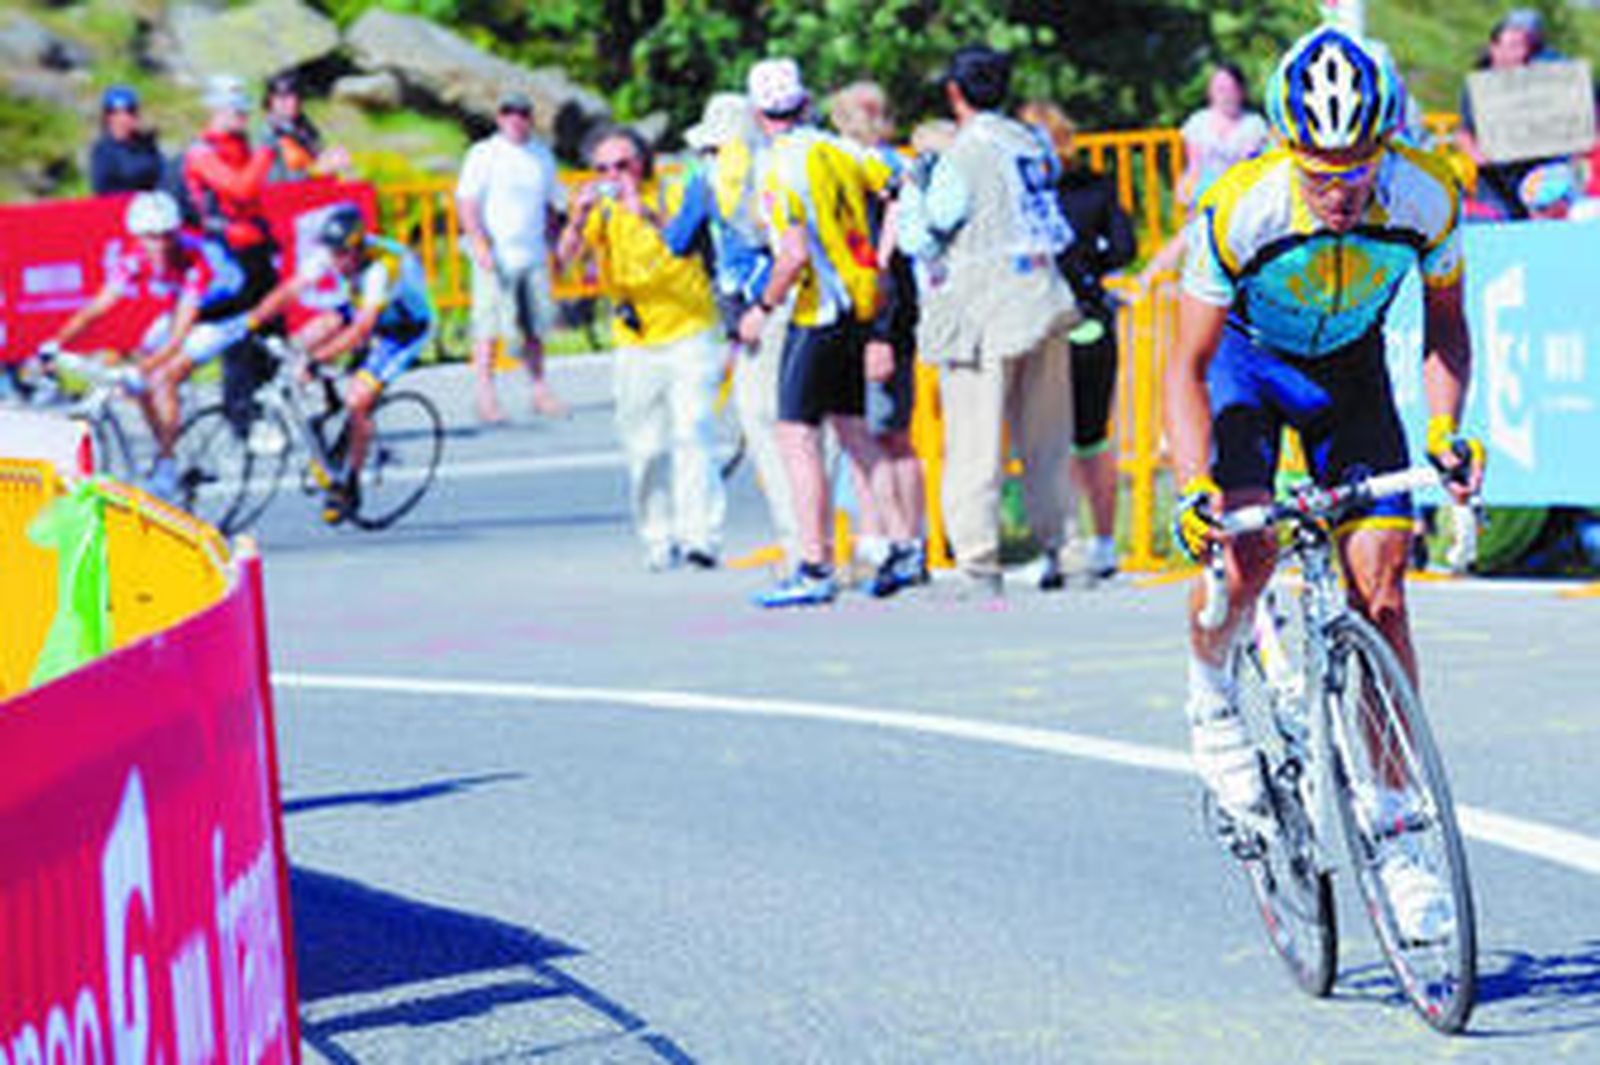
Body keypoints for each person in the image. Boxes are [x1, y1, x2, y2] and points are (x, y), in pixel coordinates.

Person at [1164, 28, 1485, 942]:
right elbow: (1182, 366)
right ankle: (1209, 692)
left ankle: (1399, 834)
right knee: (1247, 553)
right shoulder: (1240, 209)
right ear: (1282, 148)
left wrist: (1444, 432)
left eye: (1356, 168)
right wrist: (1199, 492)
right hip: (1244, 370)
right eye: (1319, 171)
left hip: (1349, 374)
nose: (1340, 189)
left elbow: (1445, 332)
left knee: (1383, 592)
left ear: (1386, 144)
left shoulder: (1427, 195)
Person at [898, 46, 1082, 596]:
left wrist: (911, 193)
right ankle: (1064, 548)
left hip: (982, 302)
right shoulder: (1032, 143)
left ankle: (978, 558)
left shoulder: (963, 153)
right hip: (1044, 289)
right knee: (1048, 437)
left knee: (975, 438)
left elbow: (931, 227)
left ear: (955, 93)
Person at [736, 58, 918, 607]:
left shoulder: (775, 167)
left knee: (797, 436)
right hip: (859, 304)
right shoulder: (839, 148)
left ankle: (814, 564)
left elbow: (790, 254)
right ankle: (900, 544)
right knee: (854, 429)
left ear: (756, 112)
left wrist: (761, 307)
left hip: (818, 310)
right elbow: (899, 184)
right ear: (805, 103)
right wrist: (878, 261)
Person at [555, 126, 727, 570]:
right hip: (637, 337)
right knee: (645, 446)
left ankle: (701, 535)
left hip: (689, 326)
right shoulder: (600, 208)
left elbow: (687, 238)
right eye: (603, 167)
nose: (614, 175)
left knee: (693, 431)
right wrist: (577, 217)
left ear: (643, 162)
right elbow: (566, 257)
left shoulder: (669, 189)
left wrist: (644, 210)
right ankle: (657, 534)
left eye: (623, 165)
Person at [40, 191, 251, 497]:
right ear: (138, 238)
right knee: (141, 376)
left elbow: (179, 336)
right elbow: (98, 307)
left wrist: (145, 370)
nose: (160, 246)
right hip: (186, 308)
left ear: (177, 233)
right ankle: (168, 445)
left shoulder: (197, 258)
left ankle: (166, 464)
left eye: (167, 237)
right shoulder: (135, 256)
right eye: (151, 238)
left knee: (162, 376)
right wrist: (54, 342)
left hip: (225, 315)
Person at [243, 205, 434, 524]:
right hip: (363, 307)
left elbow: (362, 330)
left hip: (403, 328)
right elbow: (292, 289)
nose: (336, 262)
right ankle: (329, 413)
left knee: (358, 400)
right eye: (333, 255)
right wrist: (253, 320)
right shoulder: (334, 253)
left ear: (357, 250)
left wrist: (316, 361)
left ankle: (350, 485)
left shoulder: (380, 269)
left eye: (342, 256)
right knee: (307, 337)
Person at [1020, 100, 1137, 582]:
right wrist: (1094, 266)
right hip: (1092, 318)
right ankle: (1103, 543)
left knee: (1050, 441)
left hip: (1043, 321)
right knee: (1092, 437)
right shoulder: (1098, 187)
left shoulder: (1027, 195)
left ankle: (1057, 545)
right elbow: (1124, 247)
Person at [682, 91, 801, 565]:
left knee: (768, 429)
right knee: (808, 428)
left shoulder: (712, 180)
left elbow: (678, 240)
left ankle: (802, 547)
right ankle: (827, 540)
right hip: (797, 304)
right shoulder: (779, 164)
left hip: (757, 312)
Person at [830, 80, 930, 592]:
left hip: (882, 314)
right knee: (862, 434)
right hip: (862, 314)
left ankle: (902, 540)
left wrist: (881, 333)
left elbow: (884, 258)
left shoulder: (884, 172)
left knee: (886, 435)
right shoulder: (870, 165)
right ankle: (880, 538)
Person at [456, 91, 568, 423]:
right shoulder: (485, 154)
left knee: (534, 327)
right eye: (508, 114)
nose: (515, 120)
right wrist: (479, 244)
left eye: (521, 114)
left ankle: (539, 390)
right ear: (499, 118)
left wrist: (556, 247)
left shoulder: (541, 156)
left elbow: (552, 205)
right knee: (488, 328)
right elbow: (467, 202)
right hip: (496, 253)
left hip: (531, 252)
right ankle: (486, 395)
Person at [181, 75, 282, 430]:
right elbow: (240, 189)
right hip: (227, 257)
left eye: (245, 112)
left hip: (256, 250)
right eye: (237, 112)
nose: (244, 119)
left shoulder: (242, 146)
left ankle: (271, 408)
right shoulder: (201, 152)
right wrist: (268, 150)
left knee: (272, 333)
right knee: (238, 336)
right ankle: (241, 417)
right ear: (218, 109)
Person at [1140, 63, 1269, 286]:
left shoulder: (1254, 125)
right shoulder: (1199, 122)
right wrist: (1187, 189)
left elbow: (1252, 167)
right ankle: (1148, 280)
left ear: (1240, 91)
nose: (1224, 95)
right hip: (1208, 189)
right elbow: (1195, 165)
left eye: (1228, 88)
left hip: (1241, 192)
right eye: (1218, 88)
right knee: (1191, 234)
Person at [1455, 8, 1565, 220]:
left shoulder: (1542, 82)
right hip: (1494, 181)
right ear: (1494, 48)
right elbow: (1464, 133)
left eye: (1523, 48)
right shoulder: (1477, 88)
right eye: (1512, 46)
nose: (1518, 54)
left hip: (1536, 177)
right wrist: (1477, 155)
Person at [262, 70, 350, 182]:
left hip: (312, 187)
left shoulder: (300, 125)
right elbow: (284, 180)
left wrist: (329, 157)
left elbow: (316, 152)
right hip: (290, 193)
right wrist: (321, 168)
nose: (288, 102)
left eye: (292, 96)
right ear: (271, 101)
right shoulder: (269, 134)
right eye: (281, 97)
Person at [89, 86, 164, 195]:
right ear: (108, 118)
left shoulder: (147, 147)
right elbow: (102, 191)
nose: (123, 119)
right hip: (122, 207)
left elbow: (162, 175)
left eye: (129, 112)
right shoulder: (103, 152)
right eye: (116, 113)